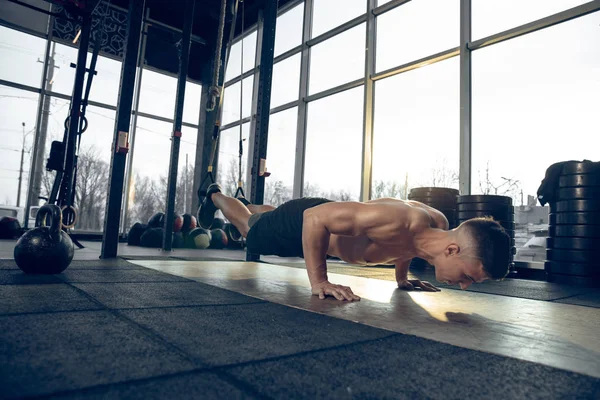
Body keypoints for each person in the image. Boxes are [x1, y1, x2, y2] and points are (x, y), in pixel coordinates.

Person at [197, 183, 511, 302]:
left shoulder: (438, 225)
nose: (465, 285)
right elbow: (315, 219)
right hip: (305, 222)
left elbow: (412, 245)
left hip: (320, 229)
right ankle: (214, 194)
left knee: (264, 218)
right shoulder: (401, 219)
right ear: (453, 250)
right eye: (469, 276)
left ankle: (253, 206)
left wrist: (401, 278)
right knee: (250, 231)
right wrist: (319, 281)